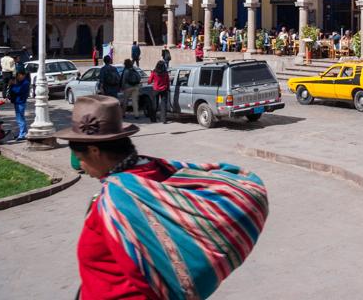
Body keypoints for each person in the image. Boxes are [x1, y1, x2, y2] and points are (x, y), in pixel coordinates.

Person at [57, 95, 268, 300]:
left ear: (94, 151)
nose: (81, 166)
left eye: (79, 158)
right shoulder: (157, 168)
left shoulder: (117, 199)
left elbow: (148, 277)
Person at [6, 67, 30, 141]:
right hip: (17, 101)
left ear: (22, 75)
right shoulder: (21, 82)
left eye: (18, 75)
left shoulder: (25, 82)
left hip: (21, 102)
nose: (17, 77)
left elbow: (18, 91)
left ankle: (22, 134)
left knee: (20, 119)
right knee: (20, 118)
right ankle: (23, 132)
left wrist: (12, 85)